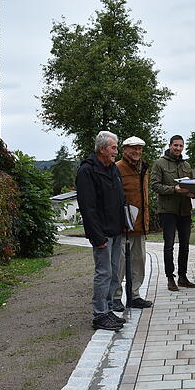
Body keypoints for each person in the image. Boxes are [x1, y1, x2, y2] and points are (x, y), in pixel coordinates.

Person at [76, 130, 127, 331]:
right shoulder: (87, 171)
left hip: (116, 231)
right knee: (103, 272)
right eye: (114, 147)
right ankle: (99, 315)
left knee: (114, 272)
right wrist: (97, 236)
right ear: (103, 149)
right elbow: (88, 208)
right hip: (102, 233)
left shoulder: (112, 168)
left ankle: (108, 310)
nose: (116, 151)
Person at [150, 135, 195, 291]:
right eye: (175, 145)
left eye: (181, 146)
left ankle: (183, 277)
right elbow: (155, 186)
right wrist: (173, 189)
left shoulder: (186, 165)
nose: (178, 148)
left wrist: (193, 192)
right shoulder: (159, 164)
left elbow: (190, 185)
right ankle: (170, 278)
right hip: (167, 211)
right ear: (170, 145)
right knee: (168, 245)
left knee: (185, 246)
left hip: (185, 210)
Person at [113, 136, 153, 311]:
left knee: (139, 261)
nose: (136, 152)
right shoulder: (117, 168)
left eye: (139, 149)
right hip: (123, 224)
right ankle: (115, 297)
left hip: (139, 224)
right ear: (125, 150)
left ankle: (134, 295)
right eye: (133, 148)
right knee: (119, 263)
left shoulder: (144, 168)